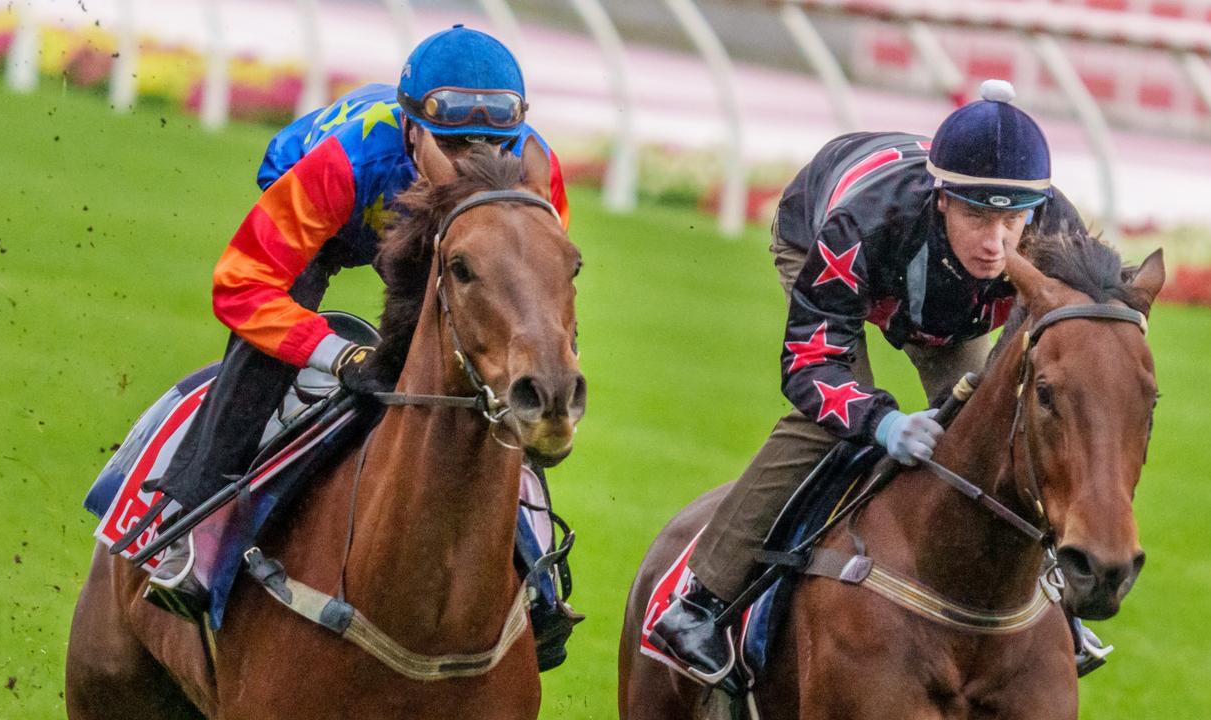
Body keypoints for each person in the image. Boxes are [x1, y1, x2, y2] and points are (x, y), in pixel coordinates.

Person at [648, 80, 1109, 682]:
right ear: (942, 198)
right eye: (975, 215)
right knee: (834, 429)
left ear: (1036, 212)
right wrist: (879, 422)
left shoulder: (1055, 231)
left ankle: (1051, 596)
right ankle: (699, 601)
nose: (996, 244)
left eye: (1012, 220)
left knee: (999, 429)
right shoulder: (861, 224)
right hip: (829, 245)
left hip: (946, 297)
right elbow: (813, 366)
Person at [143, 25, 570, 616]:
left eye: (491, 147)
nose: (475, 163)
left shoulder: (529, 177)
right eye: (454, 146)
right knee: (270, 337)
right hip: (339, 222)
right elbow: (241, 284)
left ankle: (535, 565)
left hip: (451, 236)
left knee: (499, 360)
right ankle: (196, 522)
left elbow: (538, 299)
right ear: (413, 130)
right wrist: (336, 355)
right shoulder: (347, 160)